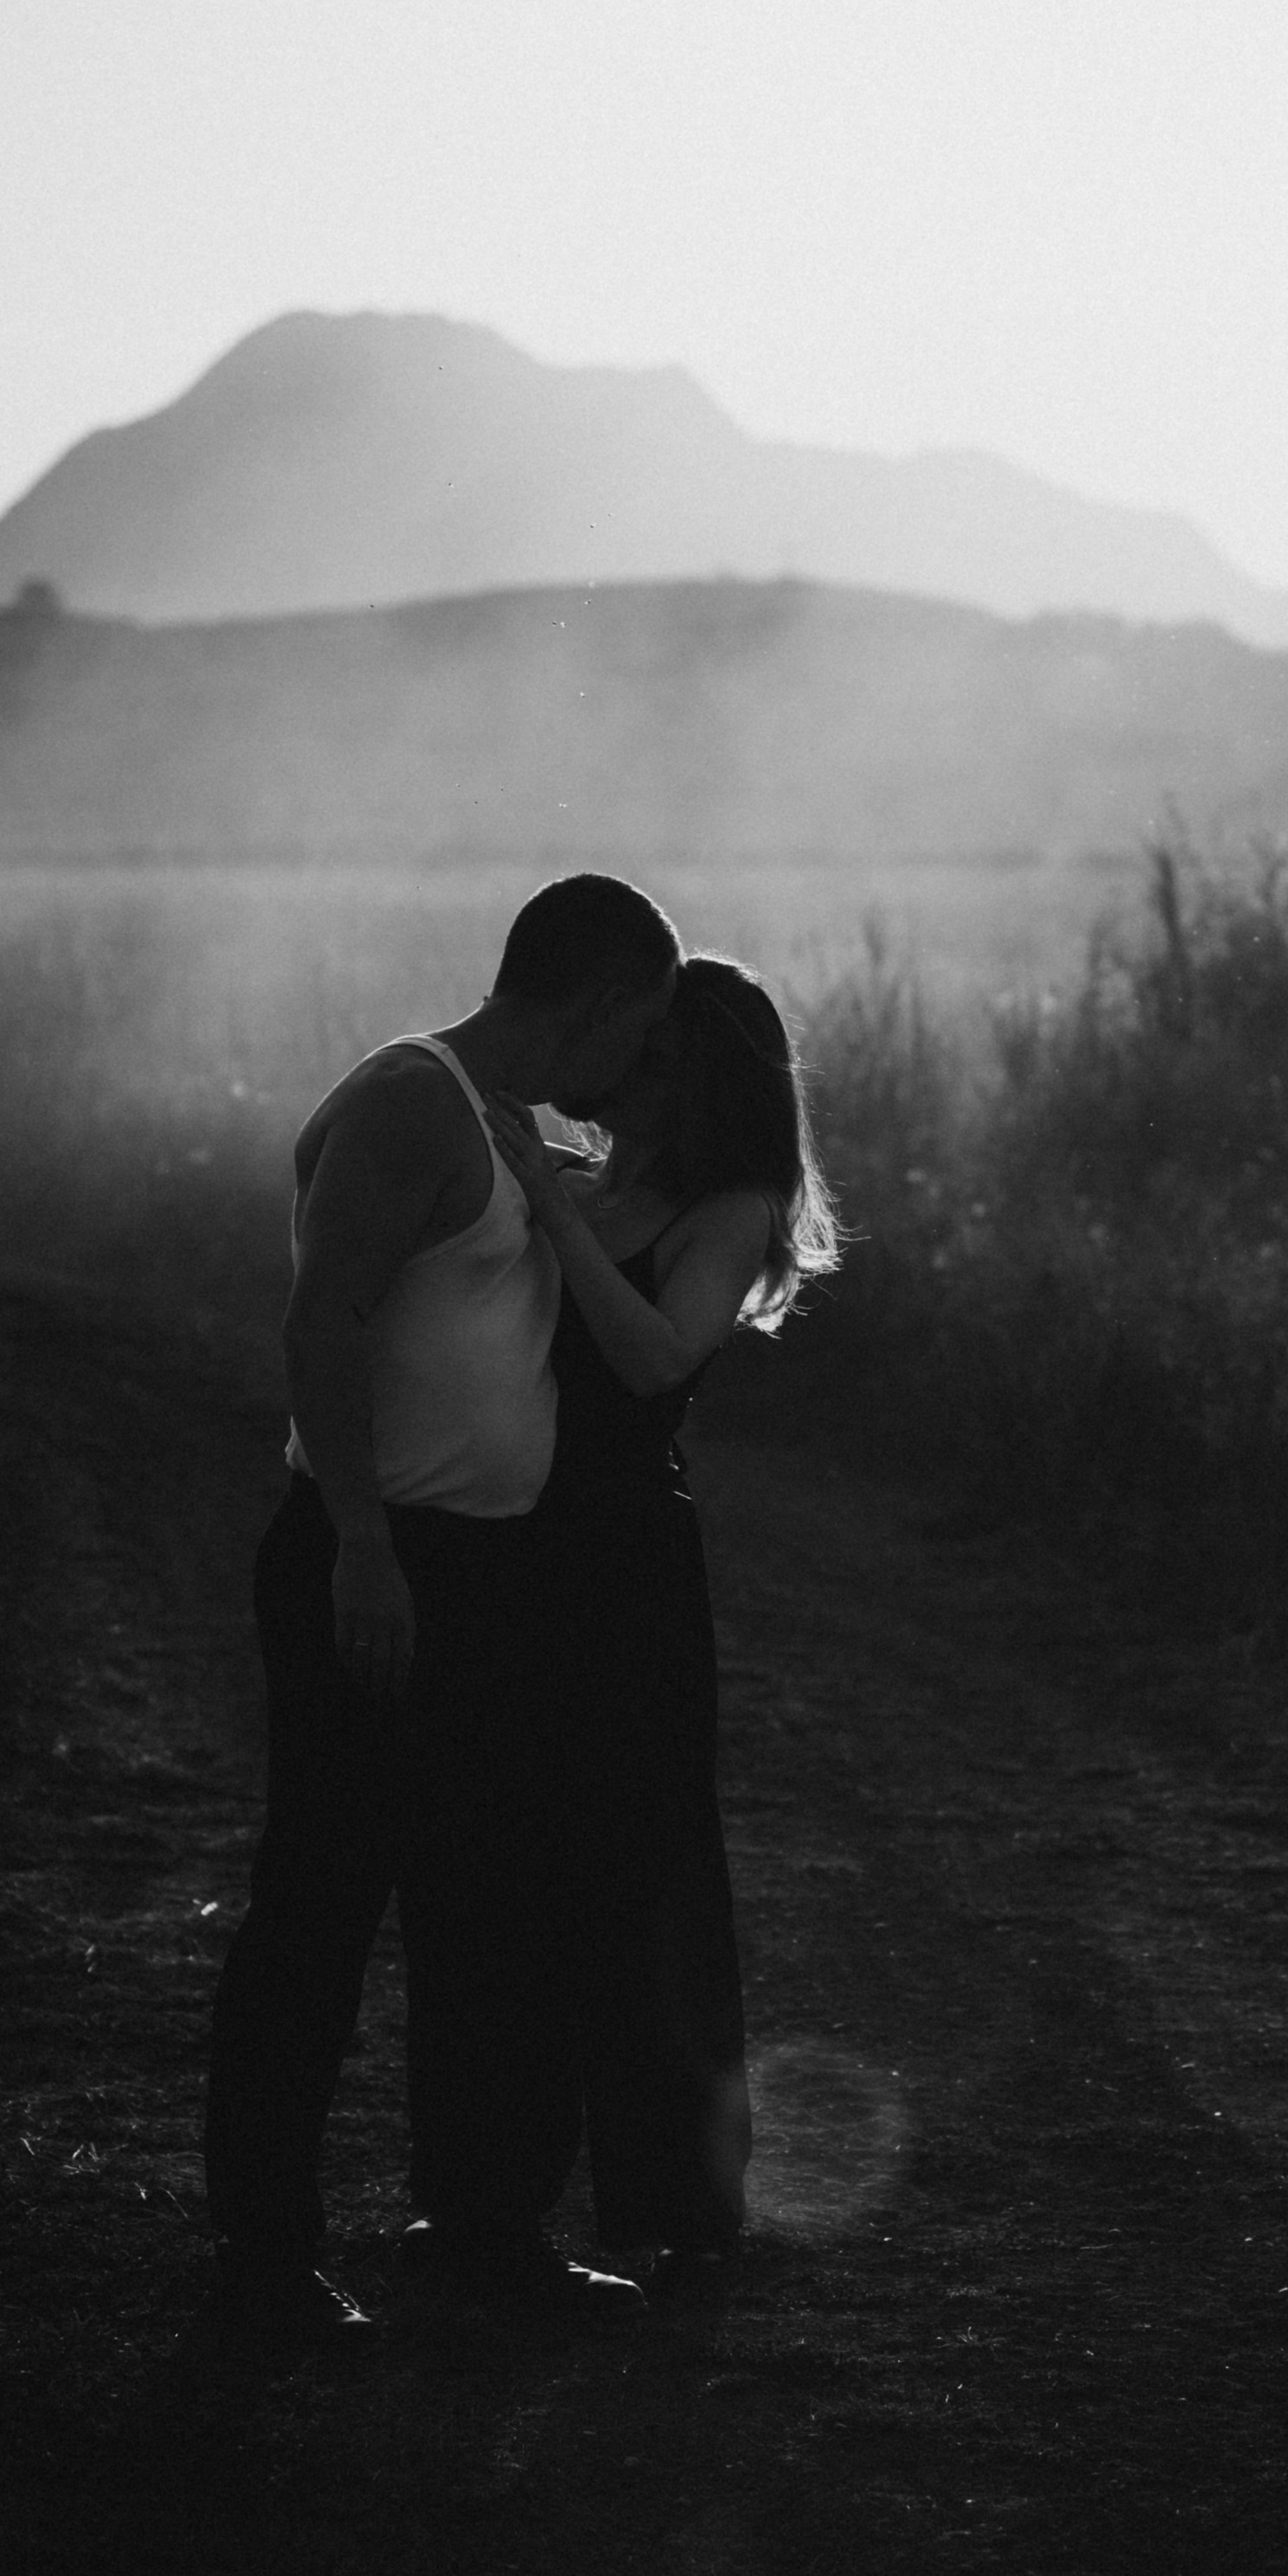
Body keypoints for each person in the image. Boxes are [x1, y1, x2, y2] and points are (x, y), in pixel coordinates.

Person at [203, 872, 679, 2342]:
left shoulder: (515, 1132)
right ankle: (265, 2259)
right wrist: (359, 1545)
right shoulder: (414, 1101)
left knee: (487, 1909)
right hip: (378, 1556)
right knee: (326, 1899)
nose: (635, 1062)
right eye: (639, 1028)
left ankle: (478, 2230)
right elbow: (320, 1319)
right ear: (597, 1001)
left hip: (481, 1572)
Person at [481, 953, 840, 2270]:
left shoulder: (724, 1206)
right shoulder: (588, 1180)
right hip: (511, 1542)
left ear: (690, 1076)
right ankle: (497, 2199)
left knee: (642, 1881)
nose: (613, 1072)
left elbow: (650, 1361)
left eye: (645, 1055)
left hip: (623, 1566)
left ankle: (675, 2211)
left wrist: (553, 1213)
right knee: (514, 1877)